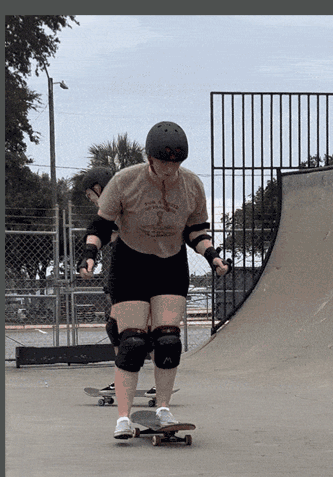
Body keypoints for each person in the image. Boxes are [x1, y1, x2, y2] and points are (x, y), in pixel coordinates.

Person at [78, 121, 229, 439]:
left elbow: (195, 230)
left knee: (168, 341)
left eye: (176, 164)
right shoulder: (125, 181)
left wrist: (212, 256)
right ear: (150, 158)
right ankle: (123, 417)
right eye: (164, 164)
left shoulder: (191, 185)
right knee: (132, 343)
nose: (170, 171)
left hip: (170, 265)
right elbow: (101, 225)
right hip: (130, 263)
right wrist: (89, 254)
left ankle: (162, 408)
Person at [79, 166, 155, 400]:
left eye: (92, 196)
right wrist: (89, 254)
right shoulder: (110, 213)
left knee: (149, 331)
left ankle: (155, 380)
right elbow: (97, 231)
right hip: (127, 276)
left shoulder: (128, 205)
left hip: (149, 274)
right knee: (116, 328)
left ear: (99, 189)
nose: (93, 202)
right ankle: (123, 378)